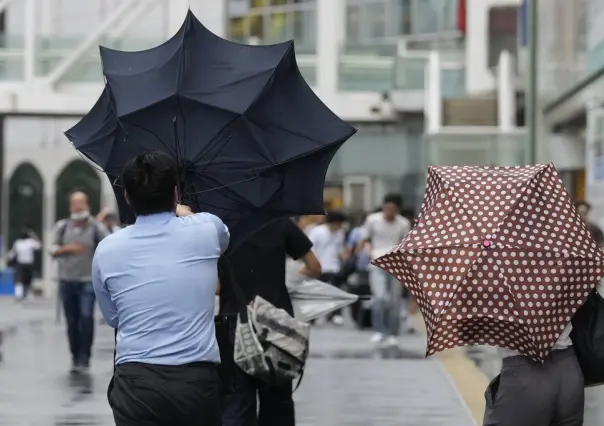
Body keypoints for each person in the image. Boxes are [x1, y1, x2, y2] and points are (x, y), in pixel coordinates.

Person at [92, 152, 227, 426]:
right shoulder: (207, 229)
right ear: (176, 192)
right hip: (196, 384)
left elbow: (114, 318)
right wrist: (185, 213)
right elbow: (222, 239)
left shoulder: (106, 250)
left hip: (135, 384)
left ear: (127, 196)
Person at [220, 218, 321, 426]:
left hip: (235, 321)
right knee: (277, 407)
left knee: (237, 405)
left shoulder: (221, 228)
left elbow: (217, 287)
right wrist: (289, 282)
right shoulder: (280, 222)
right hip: (277, 325)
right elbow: (314, 267)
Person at [483, 279, 604, 426]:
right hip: (568, 368)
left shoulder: (495, 273)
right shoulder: (564, 260)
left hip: (524, 373)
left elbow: (469, 329)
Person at [51, 191, 108, 373]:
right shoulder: (62, 227)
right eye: (75, 203)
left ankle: (85, 358)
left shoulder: (96, 228)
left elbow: (108, 246)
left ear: (87, 205)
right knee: (72, 321)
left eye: (81, 203)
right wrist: (66, 249)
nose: (78, 207)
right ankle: (75, 356)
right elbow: (52, 249)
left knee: (85, 317)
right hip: (67, 281)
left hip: (87, 282)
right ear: (70, 207)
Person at [360, 194, 411, 347]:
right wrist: (368, 251)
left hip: (395, 264)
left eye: (393, 209)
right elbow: (366, 239)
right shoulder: (372, 220)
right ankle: (379, 330)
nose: (389, 212)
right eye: (387, 208)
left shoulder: (403, 223)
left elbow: (405, 242)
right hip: (377, 261)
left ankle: (392, 333)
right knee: (380, 297)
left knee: (394, 300)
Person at [307, 211, 347, 325]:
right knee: (315, 292)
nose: (339, 226)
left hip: (334, 267)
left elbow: (340, 249)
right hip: (319, 266)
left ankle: (335, 314)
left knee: (335, 291)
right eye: (338, 224)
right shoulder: (317, 232)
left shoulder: (340, 233)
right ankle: (311, 316)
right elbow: (310, 249)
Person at [8, 226, 41, 300]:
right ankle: (29, 294)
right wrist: (34, 235)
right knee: (28, 279)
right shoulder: (31, 242)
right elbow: (39, 245)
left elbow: (13, 253)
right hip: (29, 263)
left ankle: (18, 294)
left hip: (20, 263)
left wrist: (9, 258)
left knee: (19, 279)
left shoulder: (18, 242)